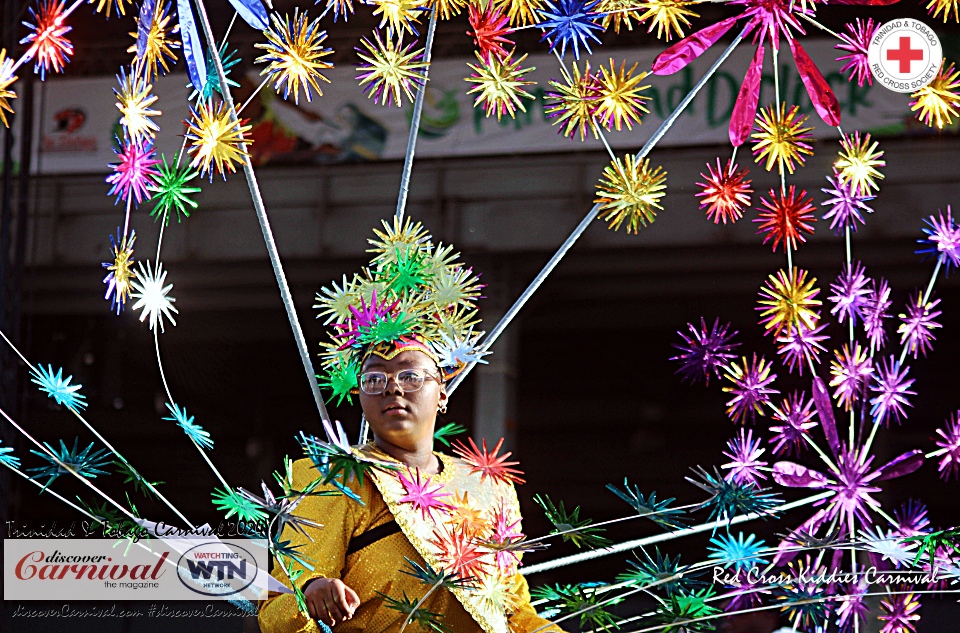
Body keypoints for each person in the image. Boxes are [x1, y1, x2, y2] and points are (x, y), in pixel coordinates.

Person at [258, 219, 561, 633]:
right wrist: (312, 591)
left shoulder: (492, 489)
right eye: (375, 378)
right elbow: (278, 606)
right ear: (360, 396)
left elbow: (514, 615)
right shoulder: (335, 475)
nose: (392, 389)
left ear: (443, 391)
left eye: (410, 375)